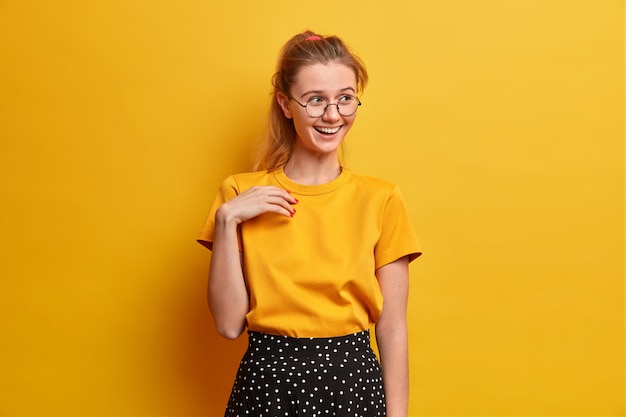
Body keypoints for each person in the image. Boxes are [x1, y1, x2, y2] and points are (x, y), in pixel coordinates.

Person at [198, 30, 421, 417]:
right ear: (286, 104)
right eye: (316, 100)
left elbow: (392, 328)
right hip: (267, 386)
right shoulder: (240, 194)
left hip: (353, 385)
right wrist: (227, 219)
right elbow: (229, 324)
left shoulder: (381, 199)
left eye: (345, 99)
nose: (333, 115)